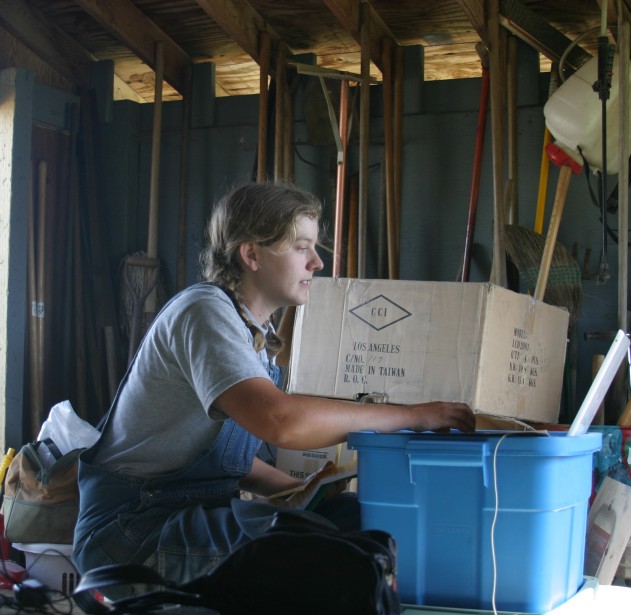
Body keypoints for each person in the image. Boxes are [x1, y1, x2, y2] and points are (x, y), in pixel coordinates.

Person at [72, 181, 475, 584]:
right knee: (326, 551)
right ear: (251, 254)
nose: (316, 263)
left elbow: (227, 461)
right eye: (301, 247)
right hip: (132, 532)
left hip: (191, 513)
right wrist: (411, 416)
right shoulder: (205, 312)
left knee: (361, 517)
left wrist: (300, 492)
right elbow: (279, 421)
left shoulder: (253, 333)